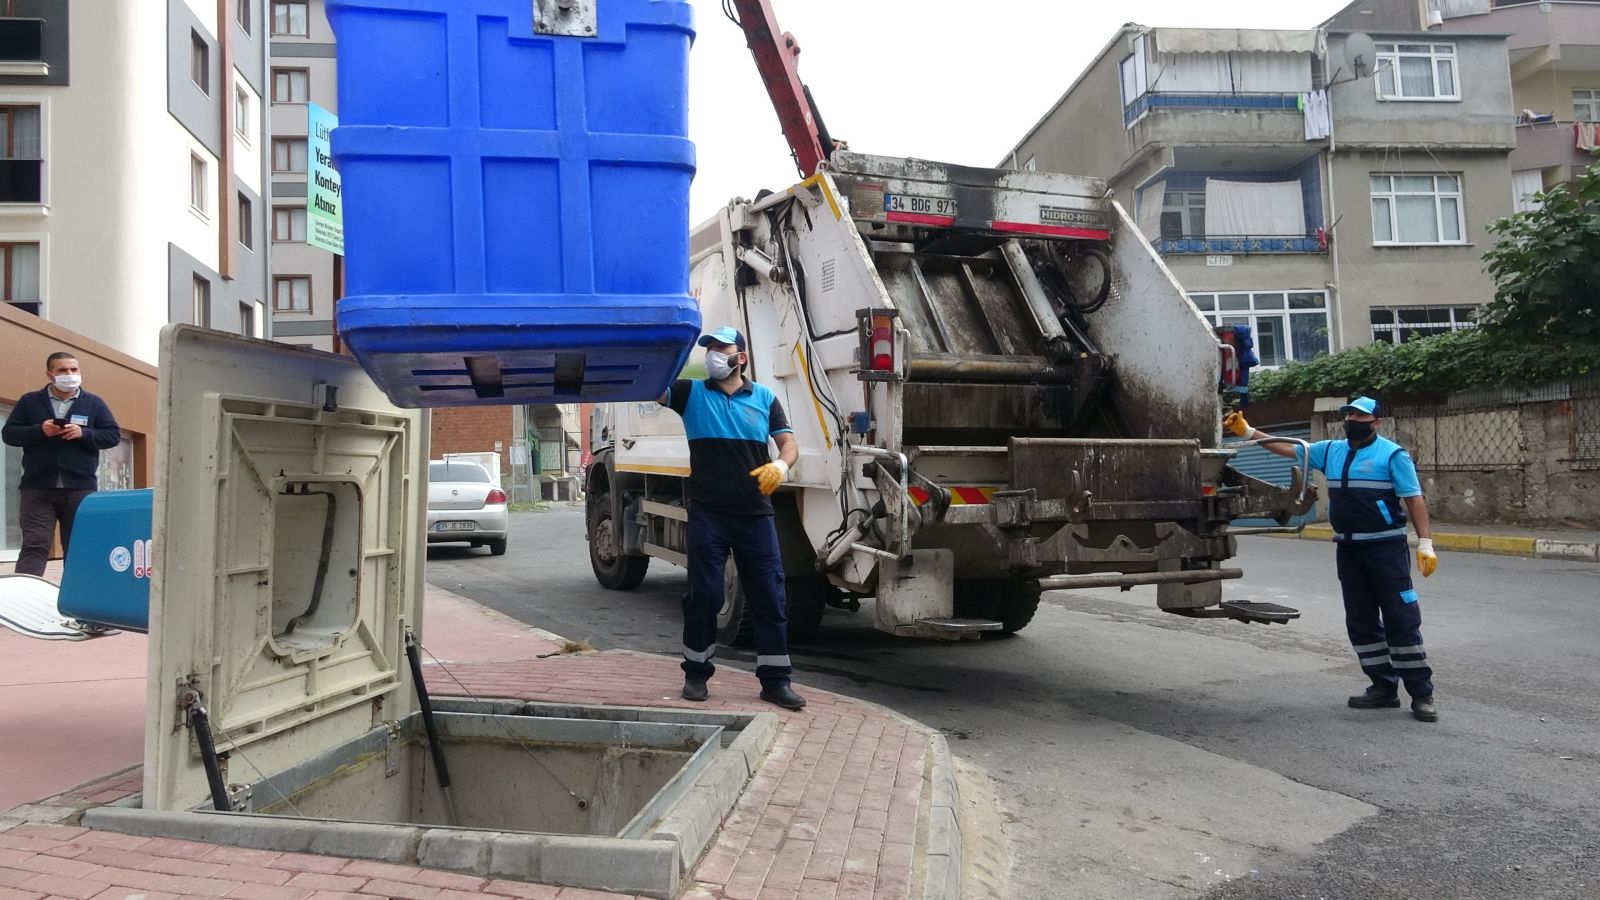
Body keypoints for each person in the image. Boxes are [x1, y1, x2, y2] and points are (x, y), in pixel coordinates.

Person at [1226, 396, 1440, 723]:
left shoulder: (1393, 455)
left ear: (1376, 422)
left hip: (1385, 550)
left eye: (1361, 415)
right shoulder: (1332, 450)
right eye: (1350, 414)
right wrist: (1248, 431)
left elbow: (1414, 498)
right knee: (1361, 620)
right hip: (1349, 550)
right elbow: (1288, 449)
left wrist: (1425, 542)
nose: (1353, 419)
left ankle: (1421, 693)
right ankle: (1382, 686)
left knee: (1401, 620)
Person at [662, 325, 805, 710]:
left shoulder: (764, 397)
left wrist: (780, 465)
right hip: (709, 512)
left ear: (740, 357)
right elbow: (654, 387)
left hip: (755, 515)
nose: (712, 356)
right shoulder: (689, 393)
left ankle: (776, 680)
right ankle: (696, 673)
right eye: (709, 349)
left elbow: (789, 444)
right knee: (705, 594)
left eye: (720, 349)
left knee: (770, 597)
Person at [3, 352, 122, 577]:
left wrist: (83, 433)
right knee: (35, 544)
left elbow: (112, 435)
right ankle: (25, 597)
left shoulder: (94, 403)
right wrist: (40, 430)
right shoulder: (30, 401)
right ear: (50, 374)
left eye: (73, 370)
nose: (69, 374)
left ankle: (79, 600)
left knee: (78, 547)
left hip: (80, 488)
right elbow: (9, 434)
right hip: (37, 488)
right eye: (62, 370)